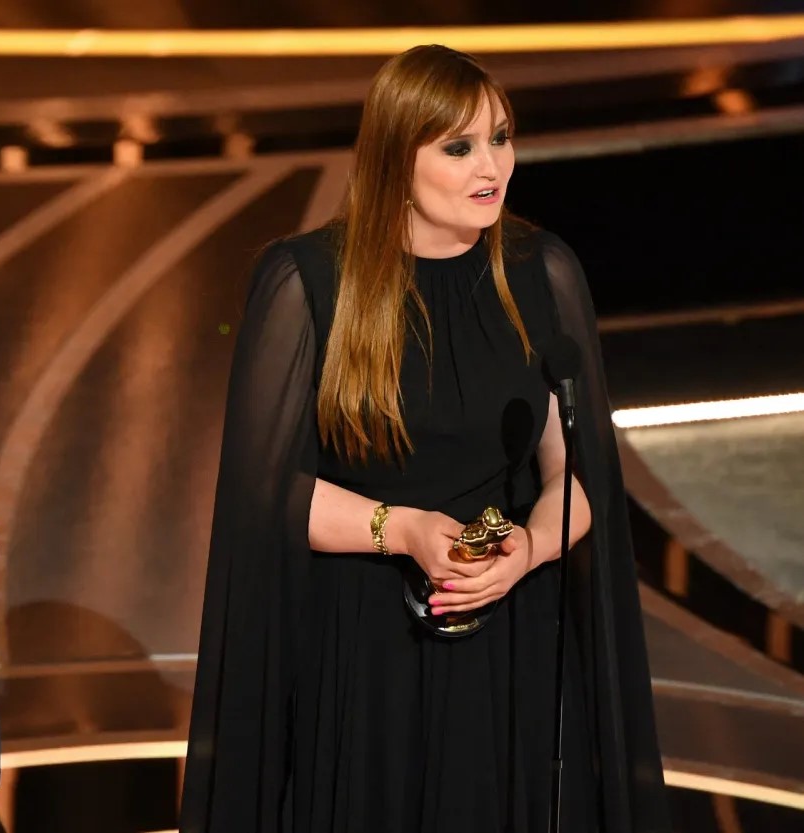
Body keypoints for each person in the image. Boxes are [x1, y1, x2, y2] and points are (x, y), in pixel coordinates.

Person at [181, 45, 670, 832]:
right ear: (393, 157)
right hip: (363, 641)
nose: (492, 167)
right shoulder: (307, 281)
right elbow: (265, 493)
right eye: (459, 146)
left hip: (507, 632)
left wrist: (530, 550)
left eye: (501, 138)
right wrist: (399, 527)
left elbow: (577, 474)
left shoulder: (541, 270)